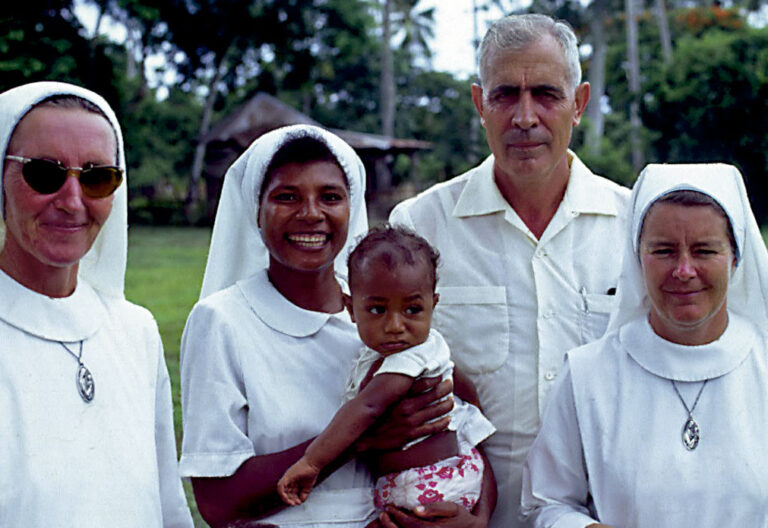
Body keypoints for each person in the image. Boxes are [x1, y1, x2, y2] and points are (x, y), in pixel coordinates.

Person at [180, 125, 491, 528]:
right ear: (255, 211)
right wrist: (360, 441)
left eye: (330, 197)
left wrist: (477, 520)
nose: (311, 213)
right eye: (286, 197)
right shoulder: (222, 322)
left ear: (351, 206)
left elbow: (466, 428)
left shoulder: (384, 317)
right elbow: (218, 505)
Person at [388, 13, 629, 528]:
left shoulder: (635, 228)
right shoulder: (419, 227)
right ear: (479, 104)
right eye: (504, 95)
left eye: (546, 93)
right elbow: (387, 393)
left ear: (579, 104)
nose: (524, 116)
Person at [520, 163, 768, 526]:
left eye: (704, 251)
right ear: (637, 257)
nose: (684, 271)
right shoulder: (588, 374)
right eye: (664, 251)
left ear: (735, 256)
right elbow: (545, 502)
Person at [0, 81, 192, 526]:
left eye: (96, 176)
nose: (71, 202)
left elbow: (164, 498)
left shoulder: (135, 331)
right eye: (44, 172)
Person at [277, 225, 496, 513]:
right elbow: (461, 381)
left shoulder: (412, 356)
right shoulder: (416, 349)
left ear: (434, 304)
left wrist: (312, 461)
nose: (395, 326)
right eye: (378, 310)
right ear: (351, 308)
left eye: (413, 310)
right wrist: (472, 404)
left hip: (429, 483)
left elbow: (367, 407)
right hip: (413, 483)